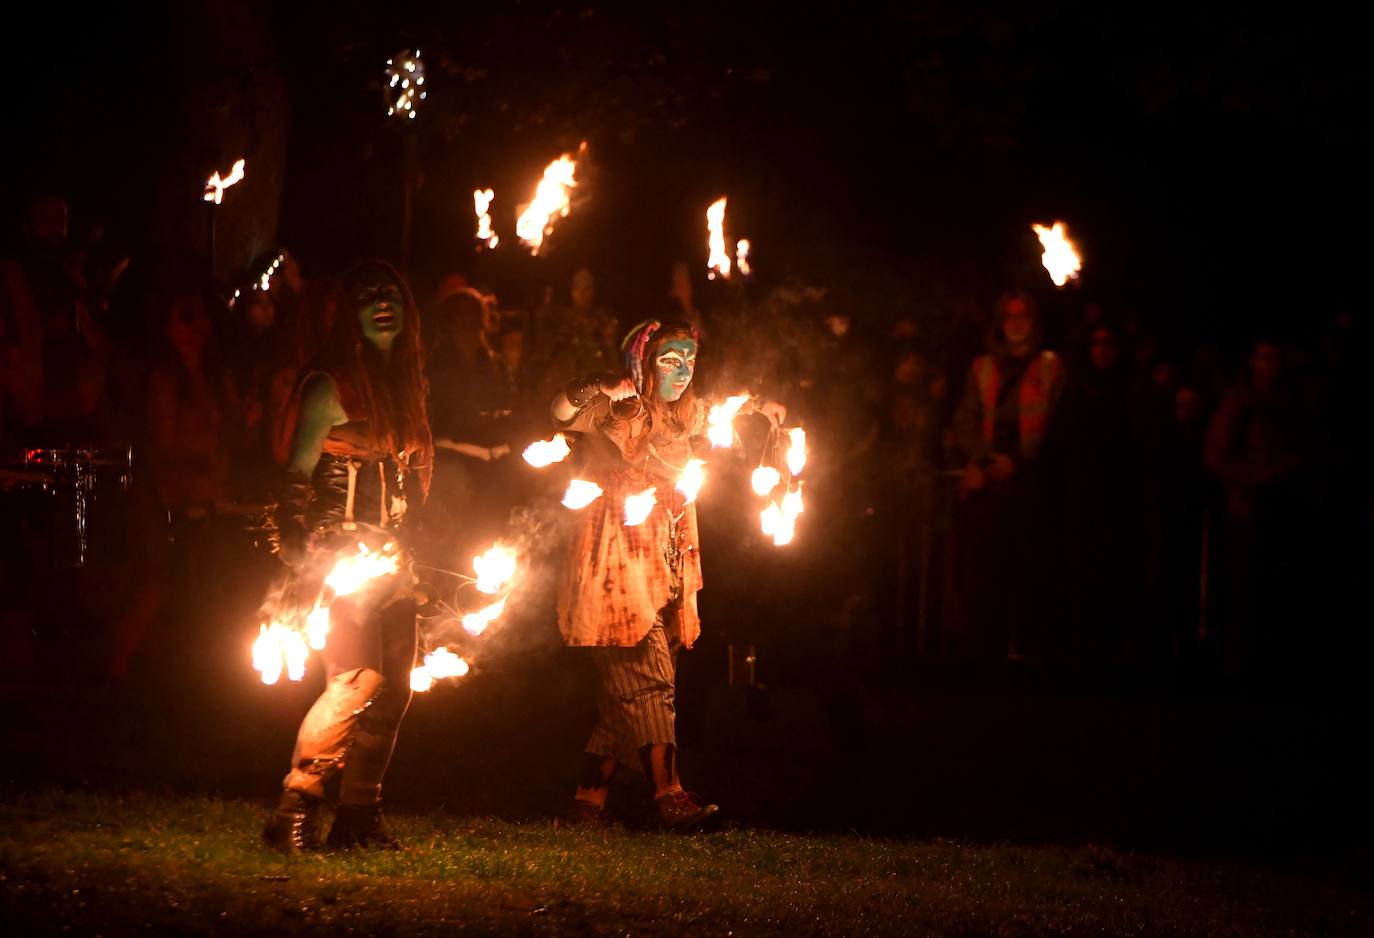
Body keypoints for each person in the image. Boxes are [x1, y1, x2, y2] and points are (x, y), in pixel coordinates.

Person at [551, 319, 782, 829]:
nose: (681, 370)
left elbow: (731, 404)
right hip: (614, 561)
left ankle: (587, 803)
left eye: (689, 361)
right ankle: (670, 795)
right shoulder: (615, 410)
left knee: (627, 695)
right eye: (668, 360)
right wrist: (597, 382)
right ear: (642, 363)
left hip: (669, 556)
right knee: (651, 681)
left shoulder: (691, 416)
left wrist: (766, 406)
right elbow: (560, 411)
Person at [262, 261, 433, 853]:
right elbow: (295, 477)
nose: (383, 303)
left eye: (392, 294)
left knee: (398, 689)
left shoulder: (404, 385)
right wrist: (299, 553)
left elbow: (411, 481)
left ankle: (358, 817)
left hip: (396, 559)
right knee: (357, 679)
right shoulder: (328, 385)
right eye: (368, 296)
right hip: (343, 559)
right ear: (349, 314)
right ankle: (295, 807)